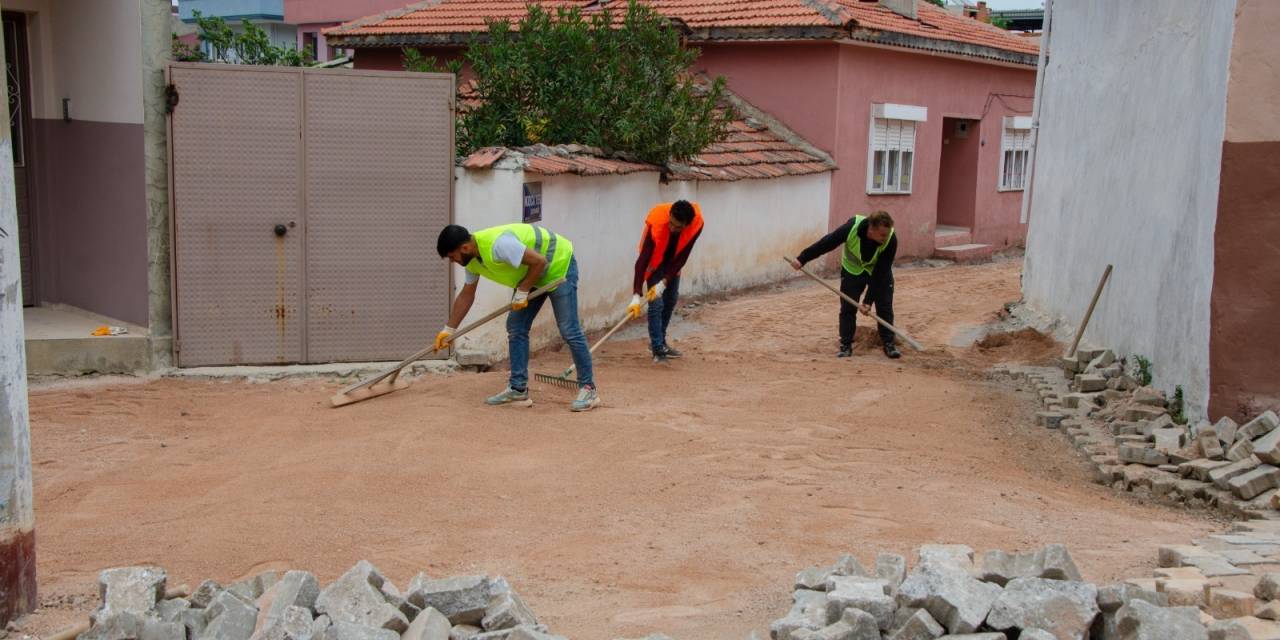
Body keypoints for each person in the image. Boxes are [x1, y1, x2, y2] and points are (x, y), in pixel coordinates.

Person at [435, 223, 599, 411]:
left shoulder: (499, 245)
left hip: (558, 266)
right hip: (533, 274)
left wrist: (522, 291)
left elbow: (540, 261)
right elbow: (467, 294)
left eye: (452, 257)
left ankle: (589, 389)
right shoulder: (471, 260)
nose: (453, 261)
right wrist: (449, 330)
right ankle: (518, 389)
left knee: (569, 329)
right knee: (516, 326)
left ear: (464, 248)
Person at [788, 210, 900, 359]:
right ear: (871, 230)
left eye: (887, 234)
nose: (885, 238)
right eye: (882, 235)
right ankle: (846, 345)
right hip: (852, 270)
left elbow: (881, 272)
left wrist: (867, 301)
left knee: (884, 305)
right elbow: (827, 243)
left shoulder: (891, 239)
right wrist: (802, 258)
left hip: (877, 272)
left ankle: (888, 343)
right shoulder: (851, 227)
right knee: (848, 307)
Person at [626, 200, 704, 364]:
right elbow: (642, 260)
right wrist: (636, 295)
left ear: (687, 225)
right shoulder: (657, 222)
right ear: (669, 216)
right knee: (656, 303)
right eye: (671, 223)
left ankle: (660, 342)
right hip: (654, 263)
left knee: (670, 300)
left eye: (678, 227)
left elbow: (683, 257)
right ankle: (657, 351)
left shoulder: (696, 225)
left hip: (673, 263)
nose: (672, 228)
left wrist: (665, 282)